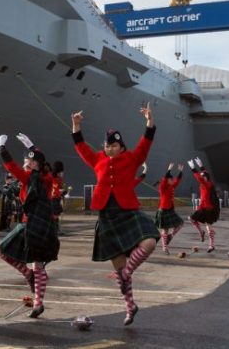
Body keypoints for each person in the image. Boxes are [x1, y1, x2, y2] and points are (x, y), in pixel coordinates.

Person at [71, 103, 158, 326]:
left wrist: (149, 121)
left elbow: (145, 144)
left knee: (149, 242)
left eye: (114, 145)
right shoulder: (97, 159)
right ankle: (130, 307)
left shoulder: (132, 159)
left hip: (127, 210)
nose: (109, 148)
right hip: (106, 215)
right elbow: (81, 147)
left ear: (121, 147)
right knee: (119, 269)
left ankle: (127, 273)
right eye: (107, 146)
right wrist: (76, 125)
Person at [0, 134, 59, 318]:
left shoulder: (34, 178)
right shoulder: (41, 178)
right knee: (36, 265)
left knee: (2, 251)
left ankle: (32, 288)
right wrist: (33, 148)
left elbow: (11, 166)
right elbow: (18, 166)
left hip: (31, 224)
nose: (24, 163)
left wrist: (2, 148)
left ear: (34, 164)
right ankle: (35, 294)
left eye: (28, 160)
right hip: (43, 226)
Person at [187, 157, 220, 253]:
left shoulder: (208, 184)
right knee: (192, 218)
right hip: (202, 206)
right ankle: (201, 232)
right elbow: (204, 175)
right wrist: (201, 166)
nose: (202, 177)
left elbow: (200, 178)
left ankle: (211, 245)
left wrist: (193, 168)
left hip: (209, 208)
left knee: (208, 226)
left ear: (206, 178)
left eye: (203, 176)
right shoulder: (205, 183)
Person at [155, 163, 185, 254]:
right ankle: (165, 247)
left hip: (170, 209)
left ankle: (170, 236)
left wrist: (180, 172)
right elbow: (164, 180)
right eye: (171, 179)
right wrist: (169, 170)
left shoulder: (171, 186)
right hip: (163, 210)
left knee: (180, 224)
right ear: (167, 180)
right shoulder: (162, 187)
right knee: (165, 229)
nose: (173, 180)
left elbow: (177, 181)